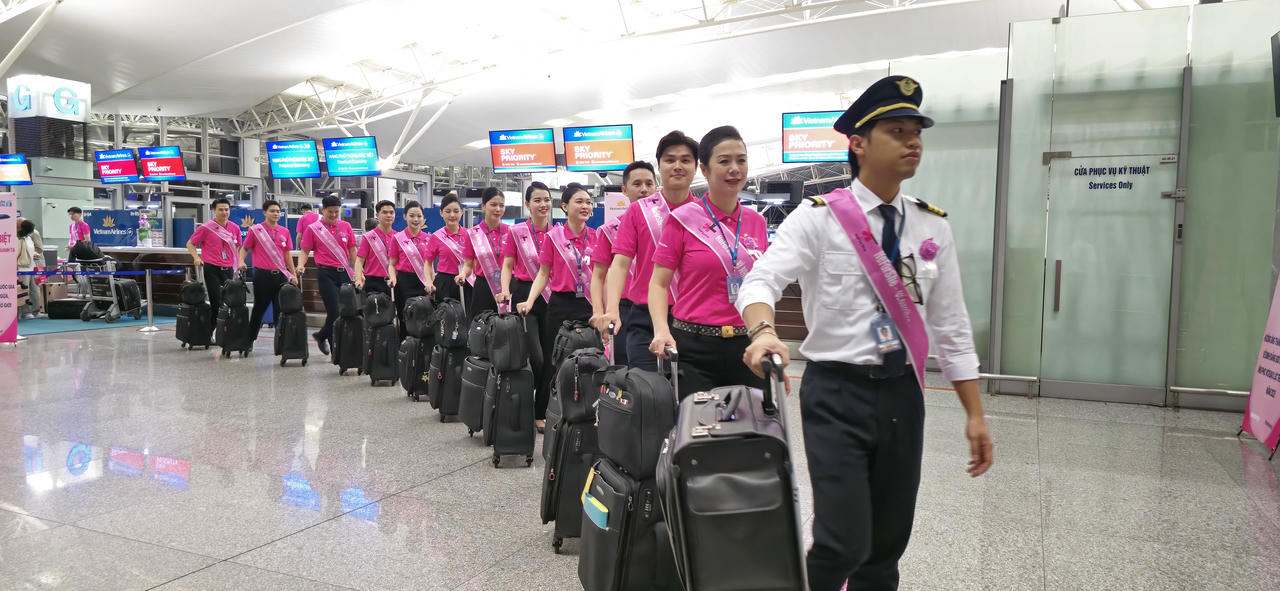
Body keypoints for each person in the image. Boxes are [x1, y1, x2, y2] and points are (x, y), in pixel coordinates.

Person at [736, 75, 994, 591]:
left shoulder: (931, 226)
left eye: (916, 131)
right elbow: (761, 278)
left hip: (903, 395)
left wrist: (975, 414)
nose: (912, 140)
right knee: (843, 540)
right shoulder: (819, 219)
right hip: (837, 393)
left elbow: (950, 324)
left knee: (886, 546)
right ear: (858, 143)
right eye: (896, 130)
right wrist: (763, 331)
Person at [649, 126, 769, 399]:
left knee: (753, 433)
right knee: (701, 434)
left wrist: (767, 333)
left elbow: (763, 284)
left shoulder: (757, 222)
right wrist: (661, 329)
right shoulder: (682, 219)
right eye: (724, 161)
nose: (735, 169)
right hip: (694, 347)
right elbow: (659, 282)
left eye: (741, 160)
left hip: (747, 344)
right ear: (704, 169)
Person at [602, 131, 699, 371]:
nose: (677, 166)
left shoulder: (704, 212)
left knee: (691, 401)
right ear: (660, 166)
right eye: (669, 159)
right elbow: (620, 264)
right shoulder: (638, 211)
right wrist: (612, 308)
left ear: (697, 167)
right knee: (649, 397)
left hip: (694, 320)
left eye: (685, 160)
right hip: (644, 319)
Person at [516, 183, 596, 432]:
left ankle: (587, 412)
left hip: (590, 305)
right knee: (554, 360)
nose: (585, 206)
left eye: (588, 202)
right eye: (579, 202)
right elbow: (543, 273)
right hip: (560, 305)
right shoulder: (554, 238)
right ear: (564, 207)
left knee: (592, 361)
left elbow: (604, 275)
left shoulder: (596, 236)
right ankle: (543, 411)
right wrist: (529, 301)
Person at [590, 161, 656, 367]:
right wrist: (599, 312)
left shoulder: (668, 225)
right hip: (625, 309)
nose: (644, 189)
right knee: (626, 370)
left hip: (664, 308)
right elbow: (598, 275)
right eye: (637, 184)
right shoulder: (609, 230)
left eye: (649, 184)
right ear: (624, 190)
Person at [500, 182, 555, 413]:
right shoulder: (517, 232)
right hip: (524, 295)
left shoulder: (557, 233)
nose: (543, 205)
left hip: (552, 298)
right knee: (537, 358)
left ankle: (539, 410)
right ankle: (525, 400)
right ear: (527, 204)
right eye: (537, 200)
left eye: (547, 200)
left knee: (551, 358)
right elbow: (507, 265)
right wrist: (505, 290)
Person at [296, 195, 357, 355]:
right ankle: (334, 345)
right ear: (322, 210)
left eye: (337, 212)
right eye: (330, 212)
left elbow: (352, 250)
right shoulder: (313, 229)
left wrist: (358, 270)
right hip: (325, 274)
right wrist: (301, 265)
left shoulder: (346, 226)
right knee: (334, 311)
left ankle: (321, 335)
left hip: (344, 273)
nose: (334, 215)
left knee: (344, 311)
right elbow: (304, 251)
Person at [239, 199, 299, 342]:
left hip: (281, 276)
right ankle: (249, 340)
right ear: (265, 212)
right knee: (259, 309)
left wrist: (293, 274)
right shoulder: (256, 230)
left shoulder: (284, 231)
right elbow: (245, 248)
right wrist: (241, 260)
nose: (275, 214)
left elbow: (286, 255)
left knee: (281, 311)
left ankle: (281, 342)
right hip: (262, 276)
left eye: (278, 211)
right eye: (272, 211)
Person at [456, 187, 509, 318]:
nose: (498, 209)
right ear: (483, 206)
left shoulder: (511, 232)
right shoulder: (473, 234)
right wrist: (463, 274)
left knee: (508, 327)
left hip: (507, 286)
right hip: (483, 287)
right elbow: (468, 265)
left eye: (501, 205)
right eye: (493, 204)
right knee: (482, 327)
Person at [186, 198, 243, 315]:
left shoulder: (235, 228)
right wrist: (197, 258)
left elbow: (236, 247)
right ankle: (214, 329)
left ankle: (223, 328)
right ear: (214, 211)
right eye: (221, 210)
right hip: (212, 268)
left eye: (226, 209)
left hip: (229, 268)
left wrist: (237, 262)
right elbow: (190, 243)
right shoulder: (206, 228)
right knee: (216, 301)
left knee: (229, 300)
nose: (224, 212)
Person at [388, 200, 433, 338]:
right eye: (412, 215)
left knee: (424, 317)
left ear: (423, 218)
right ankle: (404, 352)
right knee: (405, 317)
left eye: (419, 216)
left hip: (423, 282)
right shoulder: (397, 238)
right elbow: (392, 264)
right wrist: (393, 277)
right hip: (403, 282)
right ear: (405, 216)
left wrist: (431, 282)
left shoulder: (429, 238)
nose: (416, 219)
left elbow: (430, 264)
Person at [424, 193, 469, 303]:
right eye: (448, 211)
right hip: (445, 283)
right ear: (441, 213)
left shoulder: (470, 234)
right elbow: (428, 262)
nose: (452, 215)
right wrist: (429, 281)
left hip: (467, 280)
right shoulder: (436, 237)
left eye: (456, 211)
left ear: (462, 212)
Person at [355, 200, 397, 298]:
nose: (388, 215)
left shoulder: (398, 237)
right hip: (373, 283)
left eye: (391, 212)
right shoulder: (368, 237)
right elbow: (359, 260)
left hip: (394, 282)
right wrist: (358, 278)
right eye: (385, 212)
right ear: (377, 215)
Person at [17, 218, 44, 319]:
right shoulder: (18, 238)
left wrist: (35, 255)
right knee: (25, 290)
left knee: (35, 288)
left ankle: (35, 310)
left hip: (33, 266)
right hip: (22, 268)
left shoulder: (29, 237)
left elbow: (37, 250)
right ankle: (26, 312)